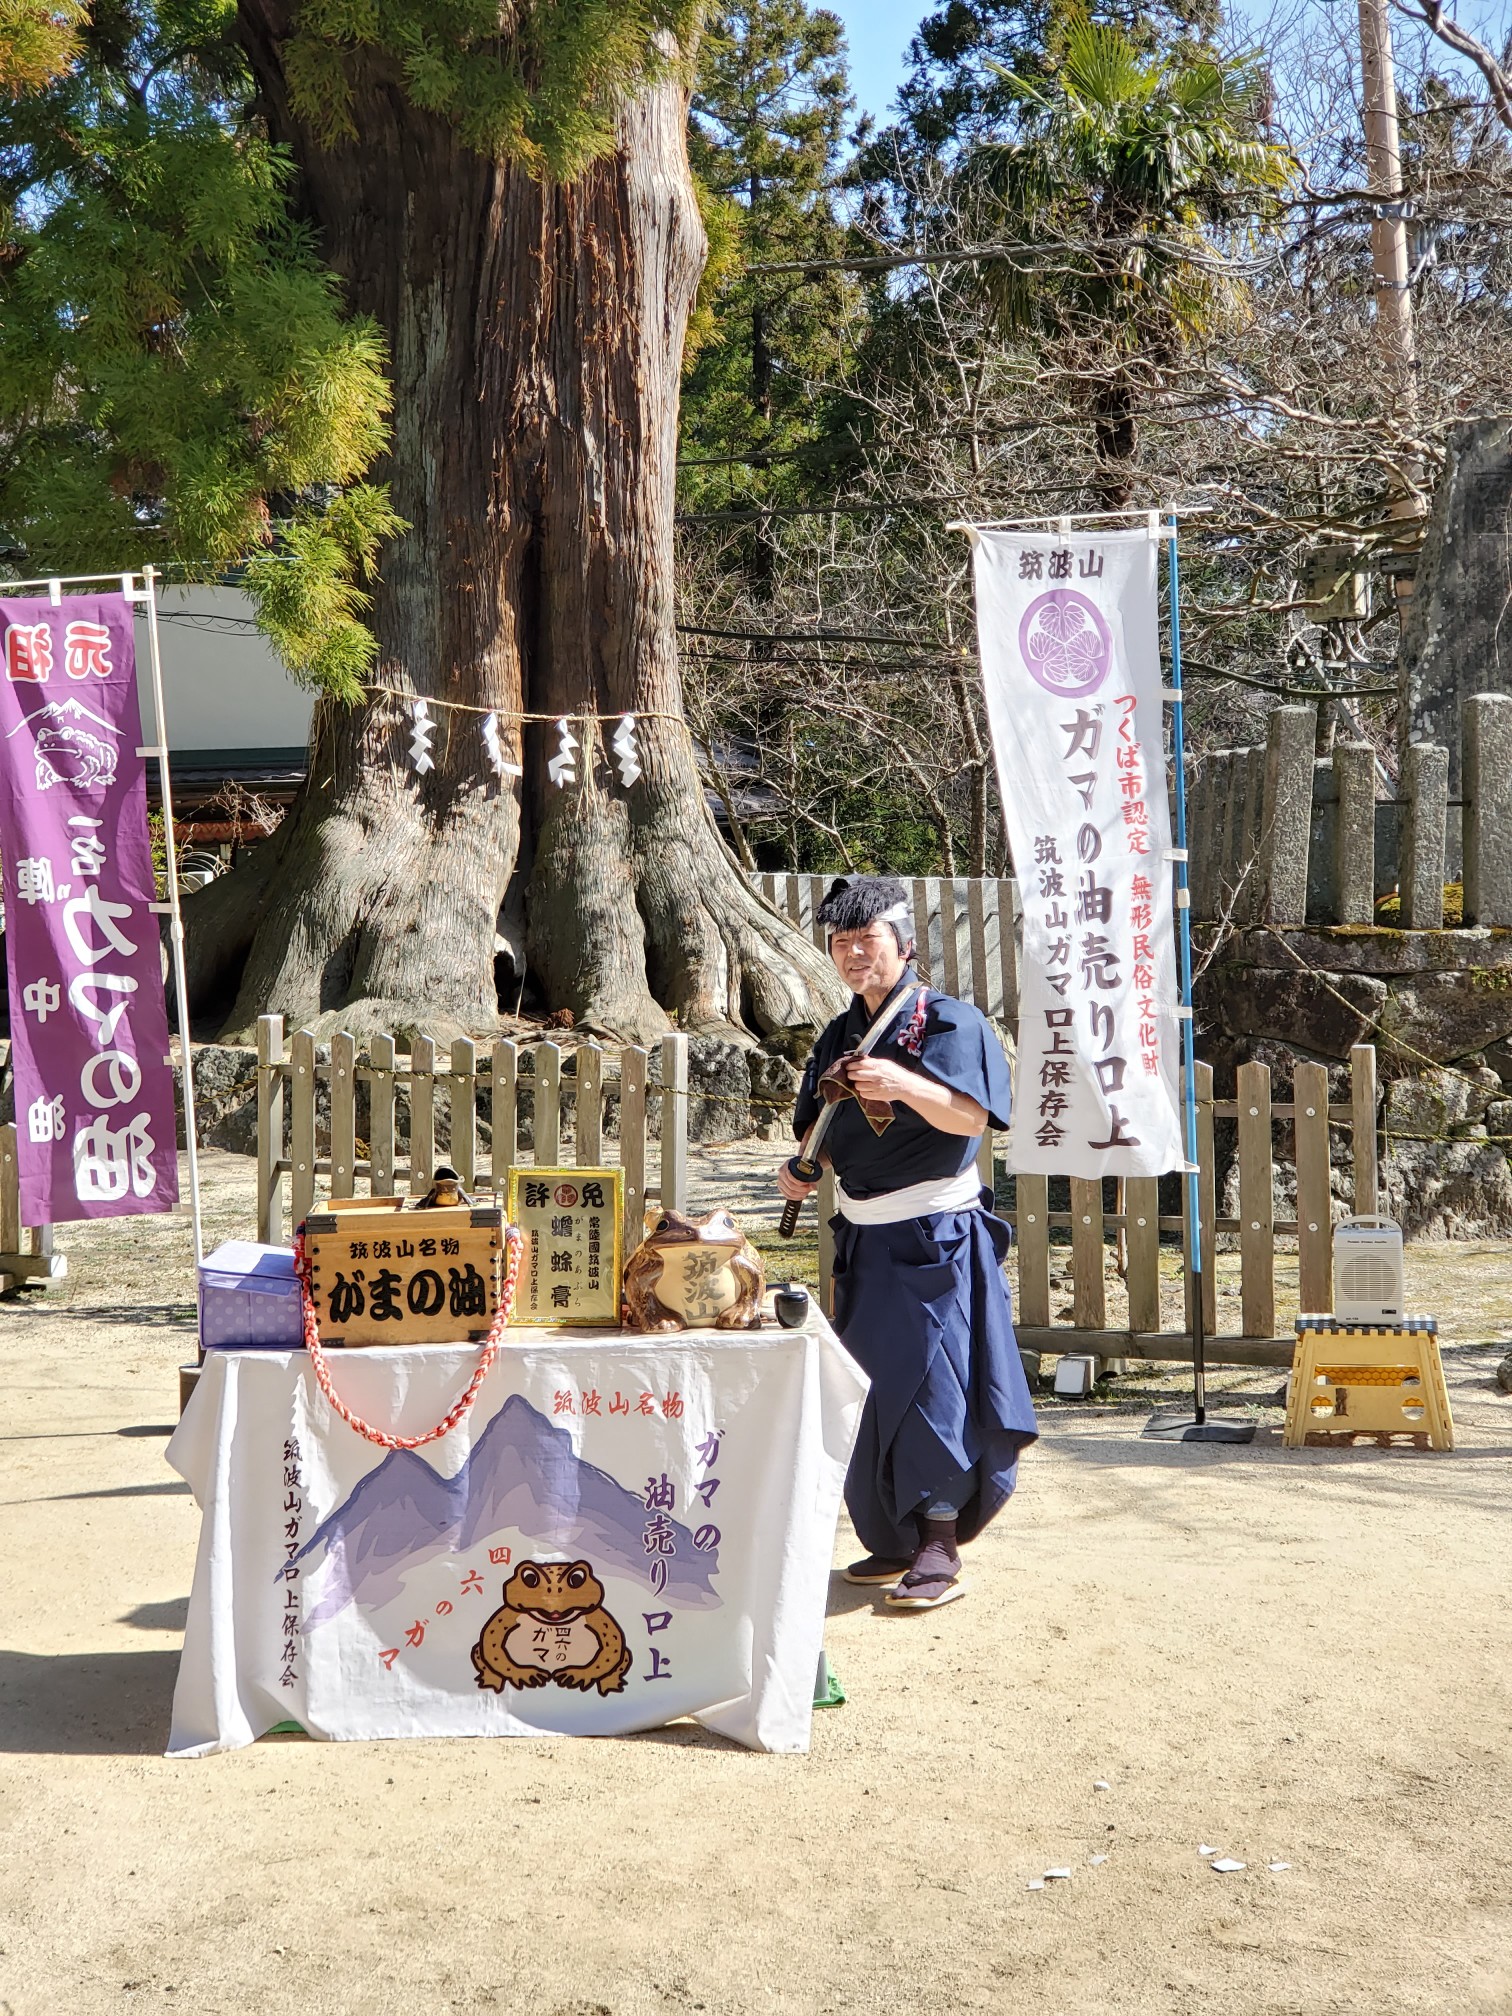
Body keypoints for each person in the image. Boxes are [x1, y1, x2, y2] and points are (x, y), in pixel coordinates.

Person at [778, 875, 1037, 1610]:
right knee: (867, 1387)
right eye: (842, 944)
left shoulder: (951, 1022)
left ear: (904, 944)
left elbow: (972, 1120)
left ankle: (938, 1543)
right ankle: (891, 1537)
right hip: (863, 1240)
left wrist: (901, 1080)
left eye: (869, 941)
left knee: (934, 1387)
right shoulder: (836, 1032)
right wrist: (799, 1169)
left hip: (936, 1236)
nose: (856, 955)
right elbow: (817, 1133)